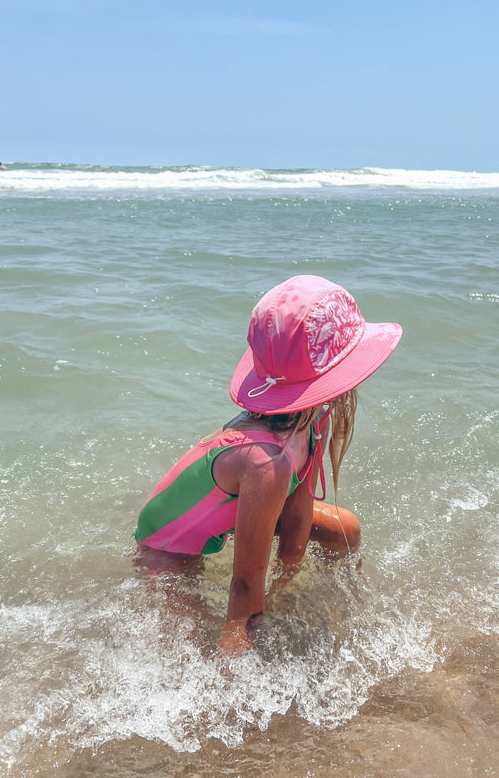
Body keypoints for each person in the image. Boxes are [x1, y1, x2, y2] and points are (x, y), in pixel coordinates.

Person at [134, 274, 402, 651]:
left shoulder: (310, 421)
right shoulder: (267, 462)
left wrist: (283, 592)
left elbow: (298, 520)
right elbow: (244, 585)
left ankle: (329, 606)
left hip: (234, 511)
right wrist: (247, 646)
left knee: (346, 531)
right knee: (194, 649)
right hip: (166, 552)